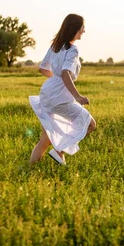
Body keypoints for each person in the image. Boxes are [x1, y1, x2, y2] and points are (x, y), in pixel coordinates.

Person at [29, 13, 96, 165]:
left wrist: (56, 80)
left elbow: (42, 69)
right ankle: (60, 150)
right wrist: (77, 96)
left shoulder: (55, 46)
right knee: (90, 124)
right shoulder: (73, 50)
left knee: (45, 140)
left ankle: (29, 170)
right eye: (82, 28)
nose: (84, 31)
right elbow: (66, 73)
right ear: (75, 29)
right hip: (59, 98)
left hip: (47, 94)